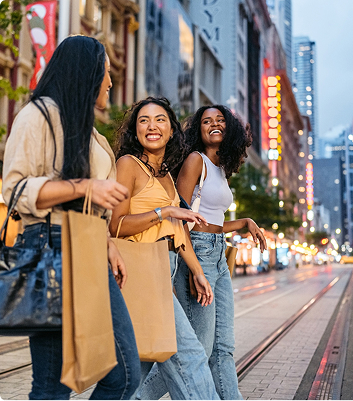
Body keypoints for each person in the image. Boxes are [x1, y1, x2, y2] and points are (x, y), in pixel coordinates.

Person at [2, 35, 141, 399]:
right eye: (105, 72)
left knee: (124, 374)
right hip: (51, 247)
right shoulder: (38, 116)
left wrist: (108, 242)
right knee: (52, 384)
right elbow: (15, 189)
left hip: (89, 247)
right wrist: (84, 187)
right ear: (86, 73)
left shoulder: (94, 135)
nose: (110, 82)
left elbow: (96, 202)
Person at [109, 96, 220, 400]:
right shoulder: (128, 165)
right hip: (138, 271)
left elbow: (178, 231)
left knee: (137, 367)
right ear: (136, 130)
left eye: (160, 119)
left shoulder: (168, 176)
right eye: (143, 120)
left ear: (172, 130)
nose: (152, 126)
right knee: (190, 355)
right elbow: (115, 225)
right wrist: (163, 212)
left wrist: (198, 271)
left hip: (161, 270)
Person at [175, 105, 268, 400]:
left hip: (218, 255)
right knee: (198, 350)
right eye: (207, 121)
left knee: (224, 347)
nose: (214, 124)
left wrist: (244, 222)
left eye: (220, 120)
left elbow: (212, 221)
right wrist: (193, 268)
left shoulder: (220, 168)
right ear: (198, 130)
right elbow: (180, 219)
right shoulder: (195, 161)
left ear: (230, 130)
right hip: (198, 254)